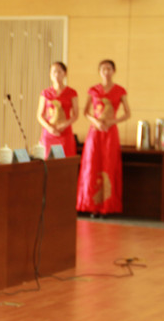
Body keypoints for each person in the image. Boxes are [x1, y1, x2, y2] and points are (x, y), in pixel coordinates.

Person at [77, 59, 131, 217]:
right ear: (100, 72)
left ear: (114, 71)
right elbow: (86, 112)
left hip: (110, 132)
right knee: (92, 164)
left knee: (109, 165)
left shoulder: (120, 90)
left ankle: (107, 206)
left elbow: (127, 113)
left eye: (109, 69)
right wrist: (96, 122)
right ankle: (91, 206)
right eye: (103, 69)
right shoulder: (93, 90)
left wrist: (112, 122)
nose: (106, 72)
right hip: (95, 132)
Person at [36, 61, 79, 157]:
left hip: (65, 132)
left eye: (59, 71)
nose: (56, 74)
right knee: (47, 160)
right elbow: (39, 115)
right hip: (49, 132)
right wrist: (49, 128)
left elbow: (75, 115)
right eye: (53, 72)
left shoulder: (72, 92)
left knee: (66, 159)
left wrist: (63, 125)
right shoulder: (45, 93)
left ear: (65, 73)